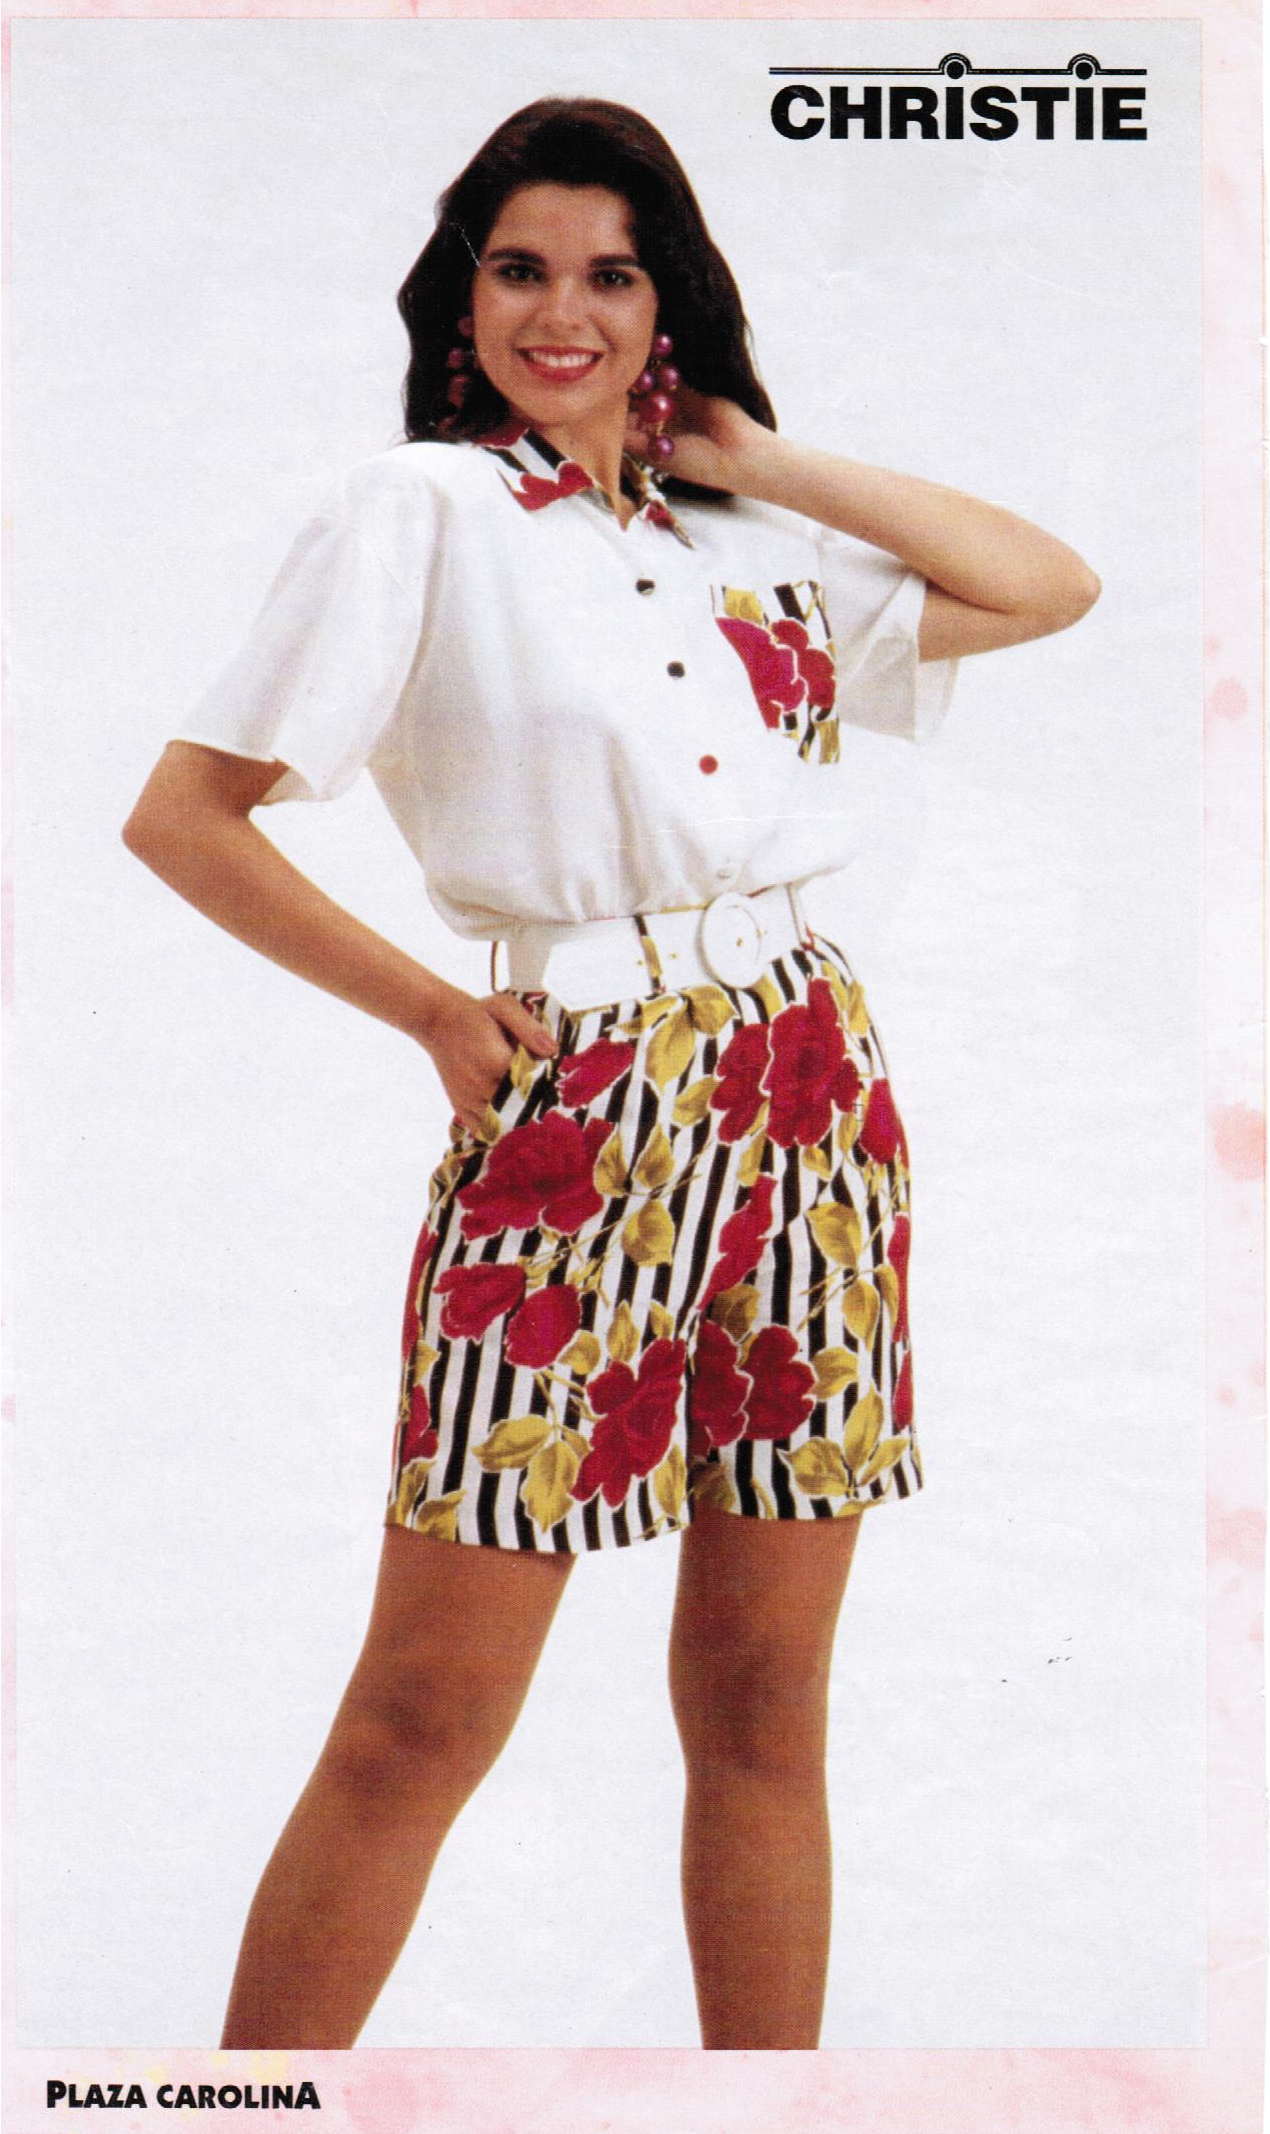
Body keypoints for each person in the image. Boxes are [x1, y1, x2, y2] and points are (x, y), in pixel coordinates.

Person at [123, 96, 1099, 2051]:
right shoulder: (418, 514)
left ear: (668, 302)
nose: (558, 312)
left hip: (811, 1094)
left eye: (608, 274)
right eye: (518, 269)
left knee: (760, 1697)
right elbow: (184, 816)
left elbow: (1044, 583)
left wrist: (749, 450)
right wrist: (430, 1009)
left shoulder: (741, 540)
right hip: (579, 1112)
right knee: (424, 1709)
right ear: (460, 295)